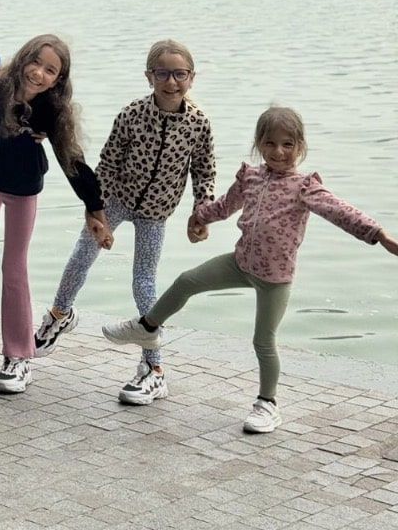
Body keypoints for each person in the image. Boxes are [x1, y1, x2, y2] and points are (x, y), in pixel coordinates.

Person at [103, 105, 398, 433]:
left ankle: (267, 404)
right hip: (240, 263)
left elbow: (341, 212)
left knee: (263, 340)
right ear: (259, 144)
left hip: (275, 278)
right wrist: (199, 218)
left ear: (301, 146)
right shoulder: (251, 177)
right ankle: (146, 326)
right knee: (186, 281)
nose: (279, 151)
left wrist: (379, 234)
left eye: (288, 144)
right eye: (270, 143)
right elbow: (224, 207)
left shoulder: (305, 187)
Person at [33, 38, 215, 407]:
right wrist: (97, 212)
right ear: (149, 76)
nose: (171, 81)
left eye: (179, 74)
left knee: (144, 283)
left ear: (192, 78)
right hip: (116, 200)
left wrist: (202, 212)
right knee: (82, 255)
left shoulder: (199, 124)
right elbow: (109, 162)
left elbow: (205, 171)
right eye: (162, 73)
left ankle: (154, 370)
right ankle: (59, 313)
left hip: (156, 213)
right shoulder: (132, 114)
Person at [0, 35, 114, 395]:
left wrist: (94, 208)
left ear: (58, 80)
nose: (39, 73)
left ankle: (18, 357)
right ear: (23, 58)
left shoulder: (51, 110)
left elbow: (73, 161)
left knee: (13, 268)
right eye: (36, 62)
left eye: (51, 70)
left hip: (23, 191)